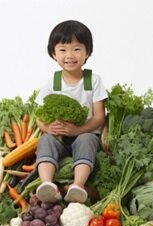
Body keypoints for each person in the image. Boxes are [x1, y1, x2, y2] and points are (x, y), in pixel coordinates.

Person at [34, 20, 108, 203]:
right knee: (45, 140)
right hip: (59, 138)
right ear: (53, 53)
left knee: (86, 139)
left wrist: (77, 130)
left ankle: (77, 185)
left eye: (76, 49)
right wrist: (48, 128)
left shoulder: (93, 80)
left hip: (86, 135)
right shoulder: (53, 82)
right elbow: (39, 116)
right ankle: (47, 185)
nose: (69, 55)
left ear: (87, 52)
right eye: (63, 50)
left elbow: (99, 117)